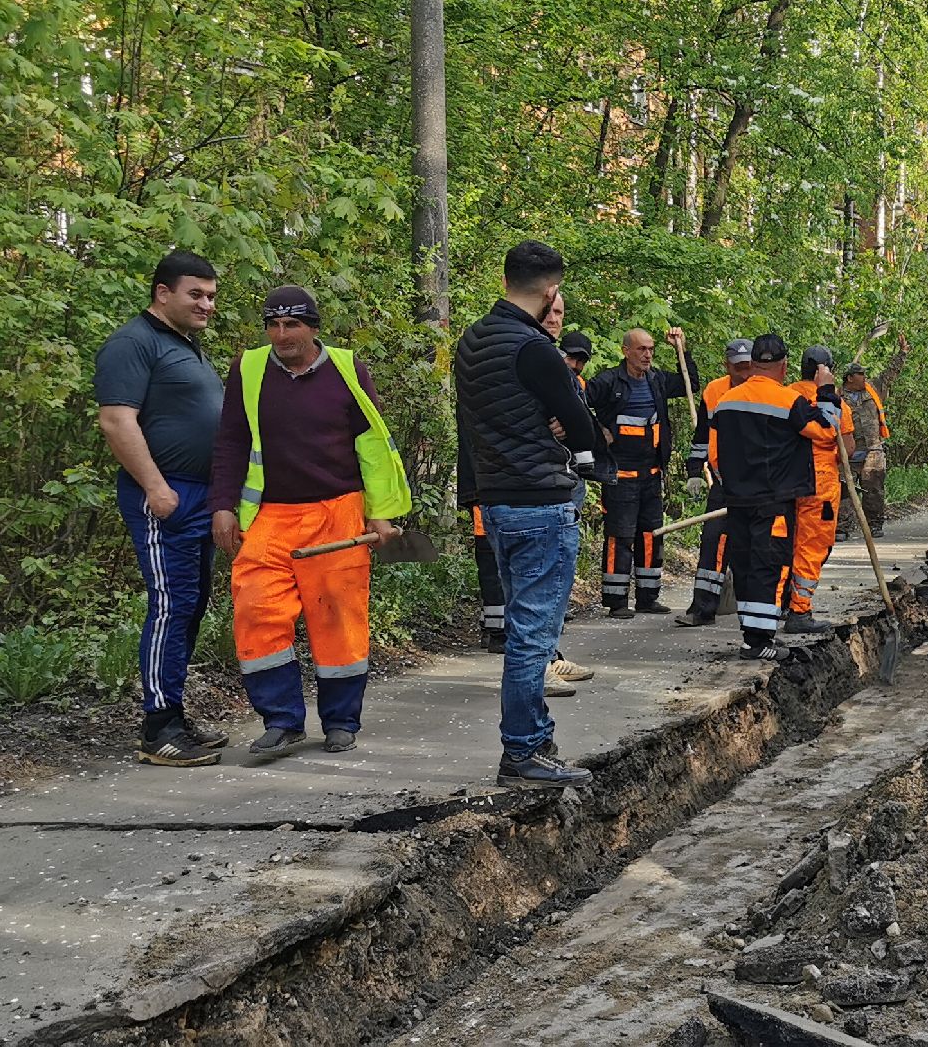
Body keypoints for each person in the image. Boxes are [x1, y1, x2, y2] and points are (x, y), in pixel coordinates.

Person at [207, 286, 411, 754]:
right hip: (270, 515)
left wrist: (381, 515)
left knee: (339, 618)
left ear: (314, 328)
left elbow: (372, 445)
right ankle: (282, 721)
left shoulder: (346, 367)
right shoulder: (248, 368)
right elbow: (232, 440)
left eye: (292, 325)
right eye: (273, 325)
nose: (282, 335)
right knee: (257, 610)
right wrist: (222, 505)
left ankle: (341, 722)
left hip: (337, 513)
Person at [454, 240, 601, 789]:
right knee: (533, 639)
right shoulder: (535, 349)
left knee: (521, 628)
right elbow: (581, 424)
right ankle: (524, 751)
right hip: (540, 502)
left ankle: (534, 740)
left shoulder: (472, 340)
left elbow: (490, 417)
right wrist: (564, 426)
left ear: (506, 280)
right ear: (551, 290)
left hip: (496, 501)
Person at [94, 249, 231, 767]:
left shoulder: (186, 345)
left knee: (192, 603)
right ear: (162, 292)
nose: (206, 304)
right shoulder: (133, 343)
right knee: (171, 604)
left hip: (200, 496)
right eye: (196, 294)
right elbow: (116, 421)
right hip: (164, 496)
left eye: (211, 296)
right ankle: (158, 728)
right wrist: (155, 487)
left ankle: (174, 712)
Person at [464, 294, 593, 690]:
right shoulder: (520, 352)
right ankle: (536, 671)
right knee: (529, 594)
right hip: (524, 490)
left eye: (559, 313)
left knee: (541, 593)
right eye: (548, 311)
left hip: (551, 480)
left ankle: (548, 657)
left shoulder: (547, 359)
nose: (553, 318)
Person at [711, 334, 839, 660]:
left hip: (737, 500)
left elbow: (716, 454)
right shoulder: (788, 402)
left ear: (753, 364)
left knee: (745, 566)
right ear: (783, 366)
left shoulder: (726, 401)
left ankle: (753, 636)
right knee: (767, 567)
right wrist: (826, 392)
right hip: (773, 501)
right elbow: (827, 432)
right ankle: (759, 643)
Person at [586, 325, 696, 618]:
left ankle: (648, 597)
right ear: (626, 351)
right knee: (620, 536)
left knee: (651, 535)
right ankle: (616, 601)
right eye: (641, 349)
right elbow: (575, 402)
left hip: (652, 474)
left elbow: (691, 384)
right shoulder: (608, 381)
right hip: (621, 475)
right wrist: (598, 430)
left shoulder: (657, 380)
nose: (648, 355)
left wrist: (681, 350)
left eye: (651, 349)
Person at [677, 338, 755, 627]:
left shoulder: (764, 392)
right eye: (738, 367)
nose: (744, 373)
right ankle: (702, 608)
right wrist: (694, 471)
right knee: (713, 541)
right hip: (724, 483)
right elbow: (702, 436)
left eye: (748, 367)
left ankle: (768, 610)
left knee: (759, 546)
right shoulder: (714, 391)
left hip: (758, 485)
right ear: (727, 366)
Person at [784, 345, 852, 633]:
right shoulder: (836, 404)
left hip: (785, 481)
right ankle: (799, 610)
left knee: (783, 543)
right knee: (812, 546)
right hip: (820, 486)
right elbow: (847, 449)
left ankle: (777, 604)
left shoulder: (785, 395)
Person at [841, 360, 893, 537]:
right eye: (860, 374)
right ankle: (842, 527)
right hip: (848, 451)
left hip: (873, 450)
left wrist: (902, 353)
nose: (865, 377)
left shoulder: (873, 389)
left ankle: (874, 525)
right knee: (844, 490)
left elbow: (889, 375)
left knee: (874, 489)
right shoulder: (838, 396)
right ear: (850, 378)